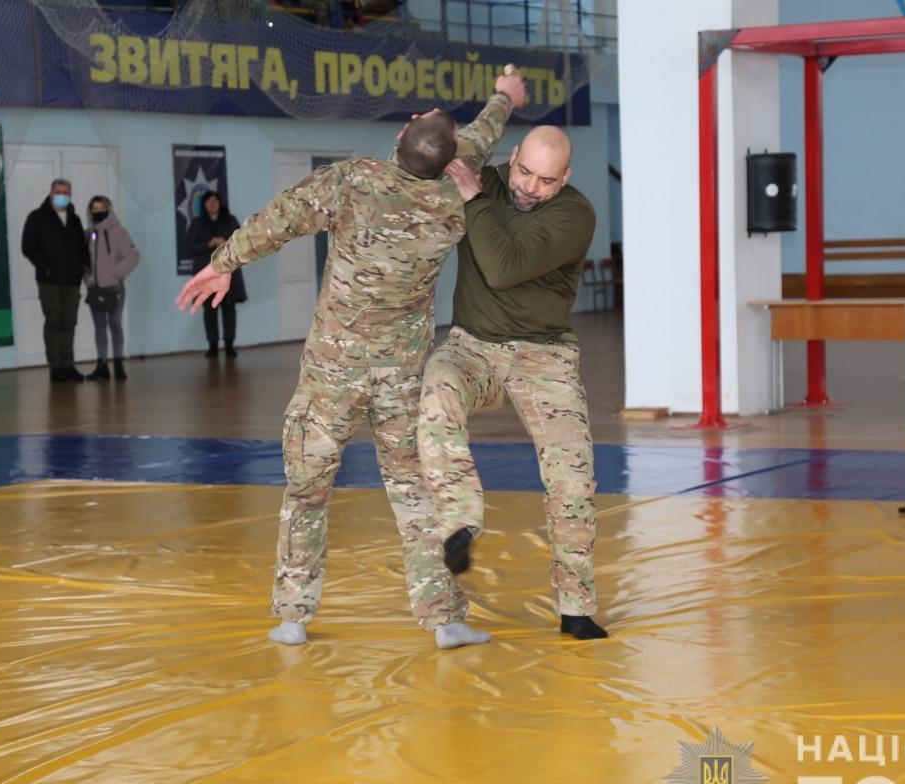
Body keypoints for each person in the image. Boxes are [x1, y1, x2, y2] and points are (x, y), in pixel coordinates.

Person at [176, 75, 526, 650]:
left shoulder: (352, 181)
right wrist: (505, 95)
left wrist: (224, 263)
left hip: (331, 374)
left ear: (398, 139)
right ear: (447, 160)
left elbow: (280, 218)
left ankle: (293, 613)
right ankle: (444, 618)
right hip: (402, 376)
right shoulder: (453, 200)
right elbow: (479, 137)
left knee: (307, 489)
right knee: (415, 490)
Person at [419, 125, 607, 641]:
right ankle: (460, 521)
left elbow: (503, 267)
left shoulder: (575, 213)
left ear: (564, 178)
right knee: (436, 388)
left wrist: (474, 199)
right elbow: (426, 158)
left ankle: (575, 607)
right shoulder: (484, 178)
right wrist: (426, 133)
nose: (530, 187)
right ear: (513, 157)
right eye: (524, 171)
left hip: (543, 355)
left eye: (547, 180)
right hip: (472, 345)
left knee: (573, 480)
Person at [21, 178, 89, 382]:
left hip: (72, 281)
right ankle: (56, 367)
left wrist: (83, 266)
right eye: (58, 191)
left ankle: (68, 365)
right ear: (51, 193)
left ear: (70, 195)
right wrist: (47, 268)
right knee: (54, 322)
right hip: (49, 281)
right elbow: (28, 247)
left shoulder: (75, 219)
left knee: (69, 323)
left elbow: (82, 247)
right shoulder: (37, 217)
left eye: (66, 192)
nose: (62, 195)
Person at [83, 195, 140, 381]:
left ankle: (118, 364)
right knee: (99, 328)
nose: (98, 211)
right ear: (90, 211)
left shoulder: (119, 232)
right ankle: (102, 366)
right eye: (95, 209)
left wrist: (117, 272)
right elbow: (82, 261)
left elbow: (133, 255)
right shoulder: (87, 233)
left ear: (109, 209)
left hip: (115, 288)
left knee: (115, 325)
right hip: (95, 289)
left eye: (102, 208)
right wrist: (87, 278)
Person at [186, 192, 248, 358]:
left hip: (228, 273)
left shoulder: (230, 220)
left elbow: (241, 242)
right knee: (209, 310)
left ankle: (229, 345)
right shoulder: (197, 223)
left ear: (220, 203)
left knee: (229, 309)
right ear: (204, 205)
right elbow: (190, 246)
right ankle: (212, 346)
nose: (212, 204)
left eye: (215, 200)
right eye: (209, 201)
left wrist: (225, 242)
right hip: (206, 273)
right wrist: (209, 243)